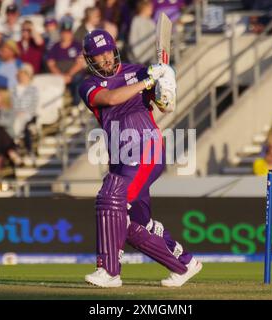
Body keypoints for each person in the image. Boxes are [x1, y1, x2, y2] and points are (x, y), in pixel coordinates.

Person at [79, 29, 201, 288]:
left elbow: (166, 105)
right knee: (135, 225)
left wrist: (166, 81)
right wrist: (148, 81)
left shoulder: (139, 70)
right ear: (90, 59)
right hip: (120, 155)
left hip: (146, 146)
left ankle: (109, 271)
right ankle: (184, 264)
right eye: (98, 56)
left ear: (115, 50)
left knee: (111, 199)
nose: (105, 59)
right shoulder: (88, 85)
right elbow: (112, 98)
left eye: (107, 52)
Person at [46, 19, 85, 105]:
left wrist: (69, 75)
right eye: (64, 32)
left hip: (74, 74)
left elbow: (80, 63)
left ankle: (76, 106)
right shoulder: (55, 47)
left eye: (68, 32)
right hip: (58, 75)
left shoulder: (77, 45)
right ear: (61, 33)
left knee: (79, 82)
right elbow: (51, 64)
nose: (66, 35)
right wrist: (60, 76)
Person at [11, 63, 38, 154]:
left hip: (28, 114)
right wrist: (16, 111)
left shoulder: (33, 89)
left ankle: (17, 141)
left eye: (24, 74)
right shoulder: (13, 89)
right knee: (16, 120)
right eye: (20, 74)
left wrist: (25, 112)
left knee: (21, 121)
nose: (22, 77)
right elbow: (11, 103)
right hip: (15, 113)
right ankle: (16, 142)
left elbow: (34, 104)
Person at [129, 0, 157, 64]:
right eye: (150, 8)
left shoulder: (151, 21)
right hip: (140, 55)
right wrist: (137, 53)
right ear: (144, 9)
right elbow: (133, 38)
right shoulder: (136, 20)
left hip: (151, 55)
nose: (151, 10)